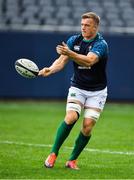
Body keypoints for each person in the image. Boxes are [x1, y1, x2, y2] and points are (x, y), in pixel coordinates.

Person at [39, 12, 108, 170]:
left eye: (87, 25)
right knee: (71, 117)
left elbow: (90, 60)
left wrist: (69, 53)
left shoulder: (101, 44)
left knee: (87, 126)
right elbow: (61, 61)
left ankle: (72, 160)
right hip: (78, 87)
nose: (83, 28)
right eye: (82, 24)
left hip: (97, 91)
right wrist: (50, 69)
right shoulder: (74, 40)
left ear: (95, 27)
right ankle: (53, 153)